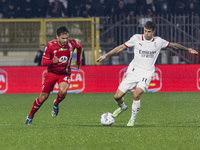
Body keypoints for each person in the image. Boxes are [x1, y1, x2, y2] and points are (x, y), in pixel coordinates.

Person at [96, 21, 198, 126]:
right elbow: (122, 47)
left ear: (154, 31)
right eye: (145, 31)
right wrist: (106, 55)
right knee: (117, 96)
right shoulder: (136, 38)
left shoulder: (159, 41)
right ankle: (122, 107)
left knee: (136, 94)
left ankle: (132, 120)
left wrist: (188, 49)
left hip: (146, 73)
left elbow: (174, 45)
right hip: (133, 72)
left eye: (149, 32)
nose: (146, 34)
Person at [25, 26, 82, 125]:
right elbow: (43, 62)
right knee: (43, 97)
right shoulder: (50, 45)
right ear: (57, 37)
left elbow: (79, 46)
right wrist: (52, 61)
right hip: (52, 73)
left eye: (67, 38)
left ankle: (56, 103)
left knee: (63, 91)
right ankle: (30, 116)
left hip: (65, 72)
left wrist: (78, 60)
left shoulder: (71, 43)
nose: (65, 40)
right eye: (63, 38)